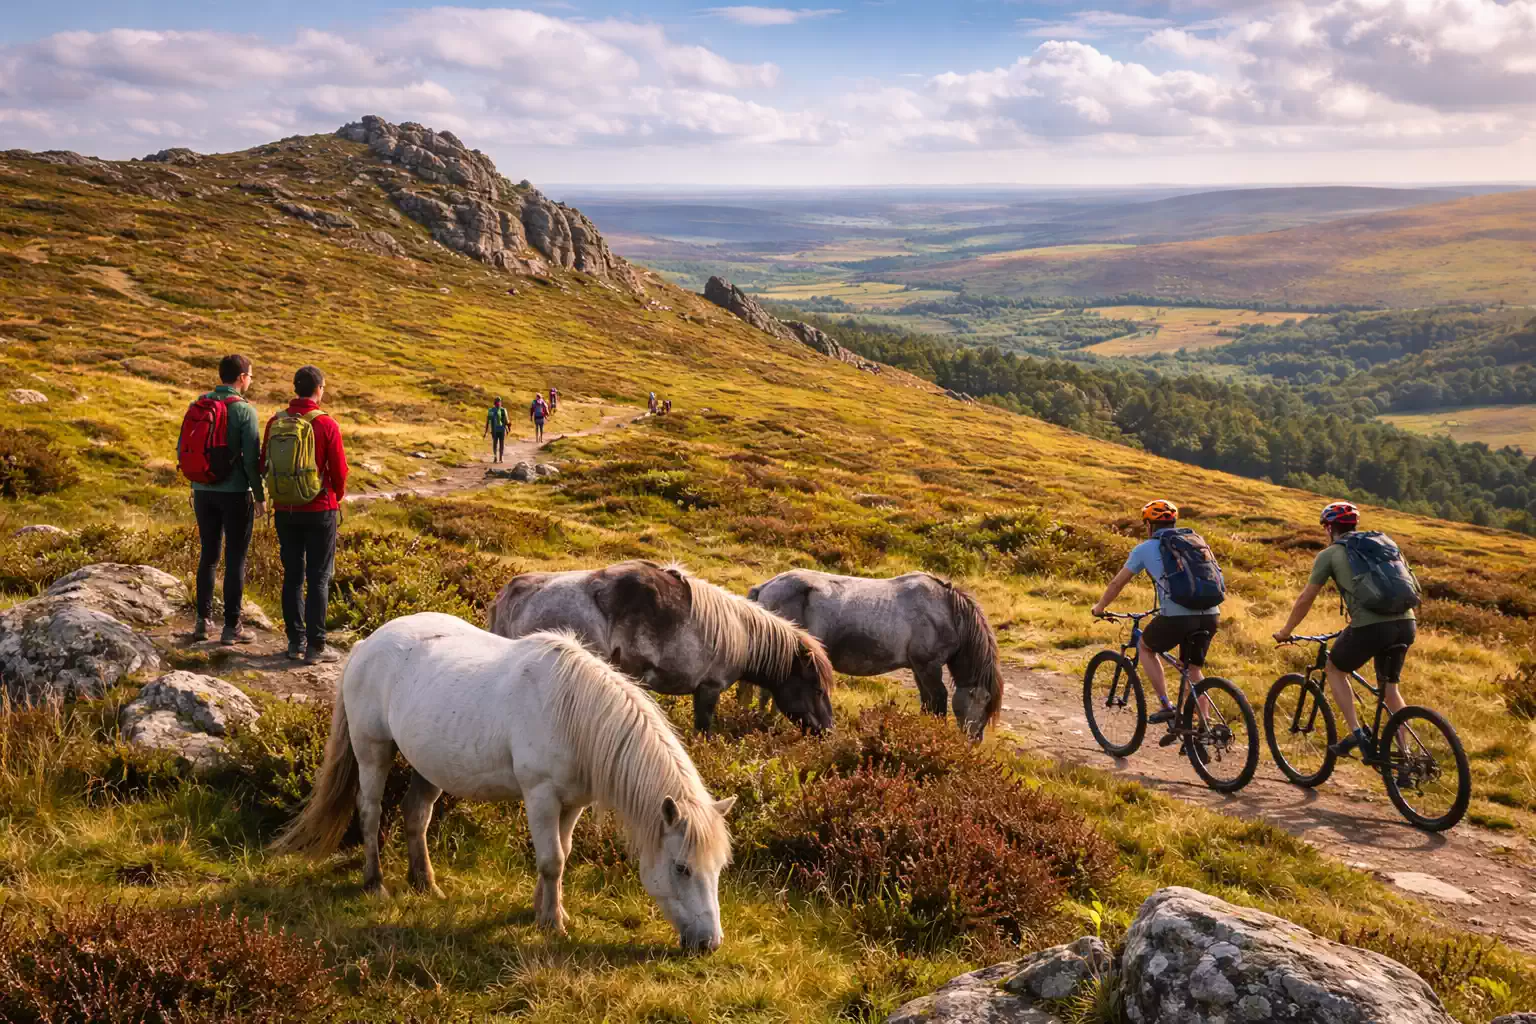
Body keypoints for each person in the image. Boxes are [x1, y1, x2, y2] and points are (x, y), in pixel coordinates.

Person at [1273, 501, 1418, 758]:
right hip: (1407, 623)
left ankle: (1357, 733)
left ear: (1330, 528)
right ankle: (1405, 754)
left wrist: (1286, 631)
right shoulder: (1384, 544)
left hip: (1371, 627)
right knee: (1389, 688)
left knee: (1334, 668)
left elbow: (1306, 598)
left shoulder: (1330, 554)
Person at [1091, 499, 1223, 735]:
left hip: (1177, 617)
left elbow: (1117, 582)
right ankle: (1206, 726)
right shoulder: (1195, 541)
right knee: (1192, 669)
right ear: (1174, 522)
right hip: (1211, 613)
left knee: (1145, 647)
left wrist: (1100, 607)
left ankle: (1166, 706)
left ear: (1149, 525)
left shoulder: (1144, 548)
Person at [262, 365, 349, 664]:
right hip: (320, 509)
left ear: (295, 388)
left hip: (285, 509)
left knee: (293, 577)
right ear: (318, 389)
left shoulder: (276, 421)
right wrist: (336, 497)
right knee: (319, 577)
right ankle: (316, 647)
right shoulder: (326, 424)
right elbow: (339, 471)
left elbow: (265, 463)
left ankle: (294, 642)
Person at [185, 354, 266, 644]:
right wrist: (259, 496)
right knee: (235, 559)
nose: (250, 381)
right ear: (242, 377)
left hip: (202, 490)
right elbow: (251, 461)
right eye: (250, 376)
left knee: (208, 556)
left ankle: (202, 622)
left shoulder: (199, 403)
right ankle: (232, 627)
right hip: (235, 494)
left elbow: (187, 447)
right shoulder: (245, 411)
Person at [484, 397, 509, 463]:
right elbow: (506, 421)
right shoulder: (498, 410)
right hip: (498, 430)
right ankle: (498, 458)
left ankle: (498, 457)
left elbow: (505, 421)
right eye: (498, 402)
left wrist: (486, 431)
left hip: (497, 430)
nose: (499, 403)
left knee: (497, 443)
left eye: (499, 402)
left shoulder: (493, 410)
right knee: (499, 444)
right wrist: (508, 428)